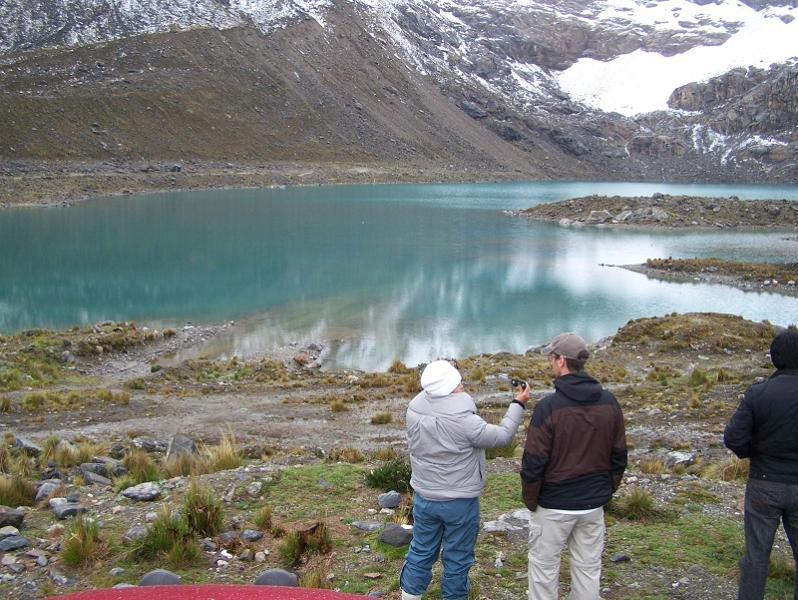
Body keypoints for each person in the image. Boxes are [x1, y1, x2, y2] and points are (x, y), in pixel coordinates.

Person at [400, 359, 528, 600]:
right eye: (457, 382)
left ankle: (409, 596)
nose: (462, 385)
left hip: (425, 495)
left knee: (421, 548)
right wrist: (517, 404)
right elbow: (501, 437)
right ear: (448, 387)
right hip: (459, 501)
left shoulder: (414, 410)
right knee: (458, 555)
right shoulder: (463, 419)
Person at [521, 332, 627, 600]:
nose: (549, 363)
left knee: (544, 571)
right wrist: (604, 491)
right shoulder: (609, 403)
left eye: (551, 358)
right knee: (588, 569)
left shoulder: (549, 407)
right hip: (592, 505)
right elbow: (619, 456)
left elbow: (533, 462)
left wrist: (532, 501)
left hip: (554, 504)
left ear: (560, 362)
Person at [724, 328, 798, 600]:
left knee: (756, 558)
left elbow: (733, 437)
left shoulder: (759, 393)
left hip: (764, 483)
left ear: (775, 358)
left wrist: (753, 454)